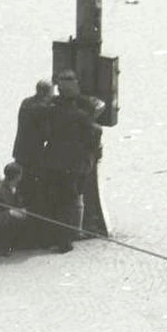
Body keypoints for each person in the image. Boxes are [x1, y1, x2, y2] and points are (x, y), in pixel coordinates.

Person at [43, 70, 102, 253]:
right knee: (71, 200)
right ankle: (67, 238)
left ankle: (54, 237)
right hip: (74, 164)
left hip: (53, 161)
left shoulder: (51, 110)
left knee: (55, 200)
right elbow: (93, 134)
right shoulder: (81, 116)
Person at [12, 79, 53, 212]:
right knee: (31, 182)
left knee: (20, 179)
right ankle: (29, 208)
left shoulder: (26, 102)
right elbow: (47, 133)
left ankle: (18, 203)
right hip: (34, 153)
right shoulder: (42, 108)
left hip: (20, 148)